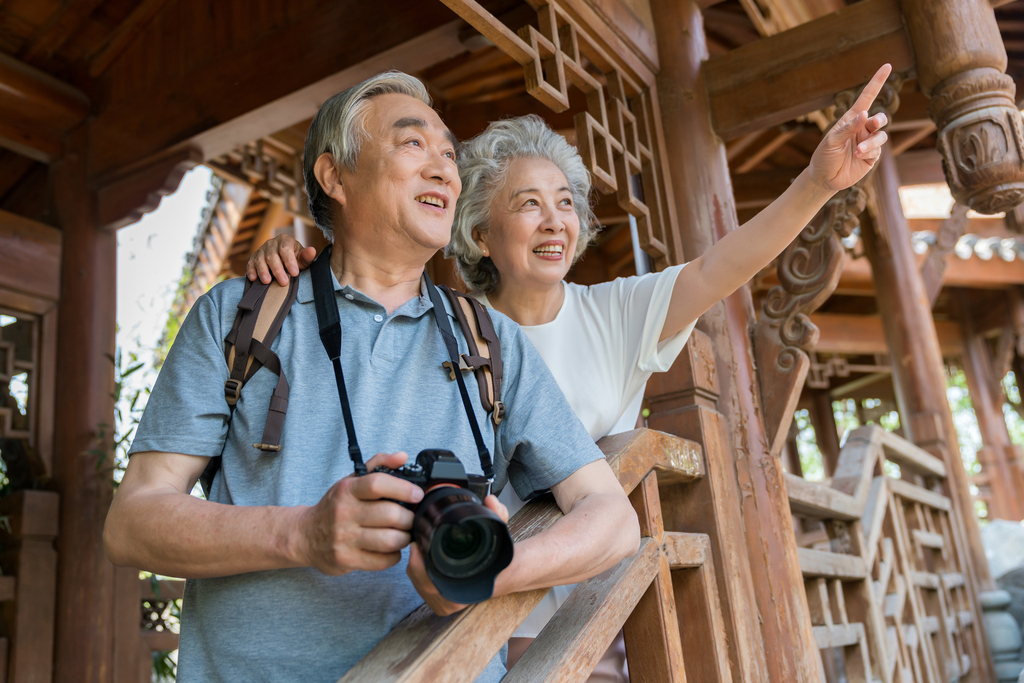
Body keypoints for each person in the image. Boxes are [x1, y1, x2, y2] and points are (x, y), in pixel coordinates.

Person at [247, 64, 893, 682]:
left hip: (590, 614)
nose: (555, 220)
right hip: (459, 616)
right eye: (528, 204)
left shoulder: (616, 315)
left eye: (565, 203)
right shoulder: (448, 330)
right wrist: (304, 268)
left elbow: (721, 268)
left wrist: (819, 181)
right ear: (478, 232)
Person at [103, 71, 642, 683]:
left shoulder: (491, 342)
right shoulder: (241, 316)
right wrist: (303, 534)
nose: (444, 170)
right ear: (334, 177)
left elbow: (613, 518)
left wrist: (492, 569)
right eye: (413, 144)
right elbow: (132, 524)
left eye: (448, 153)